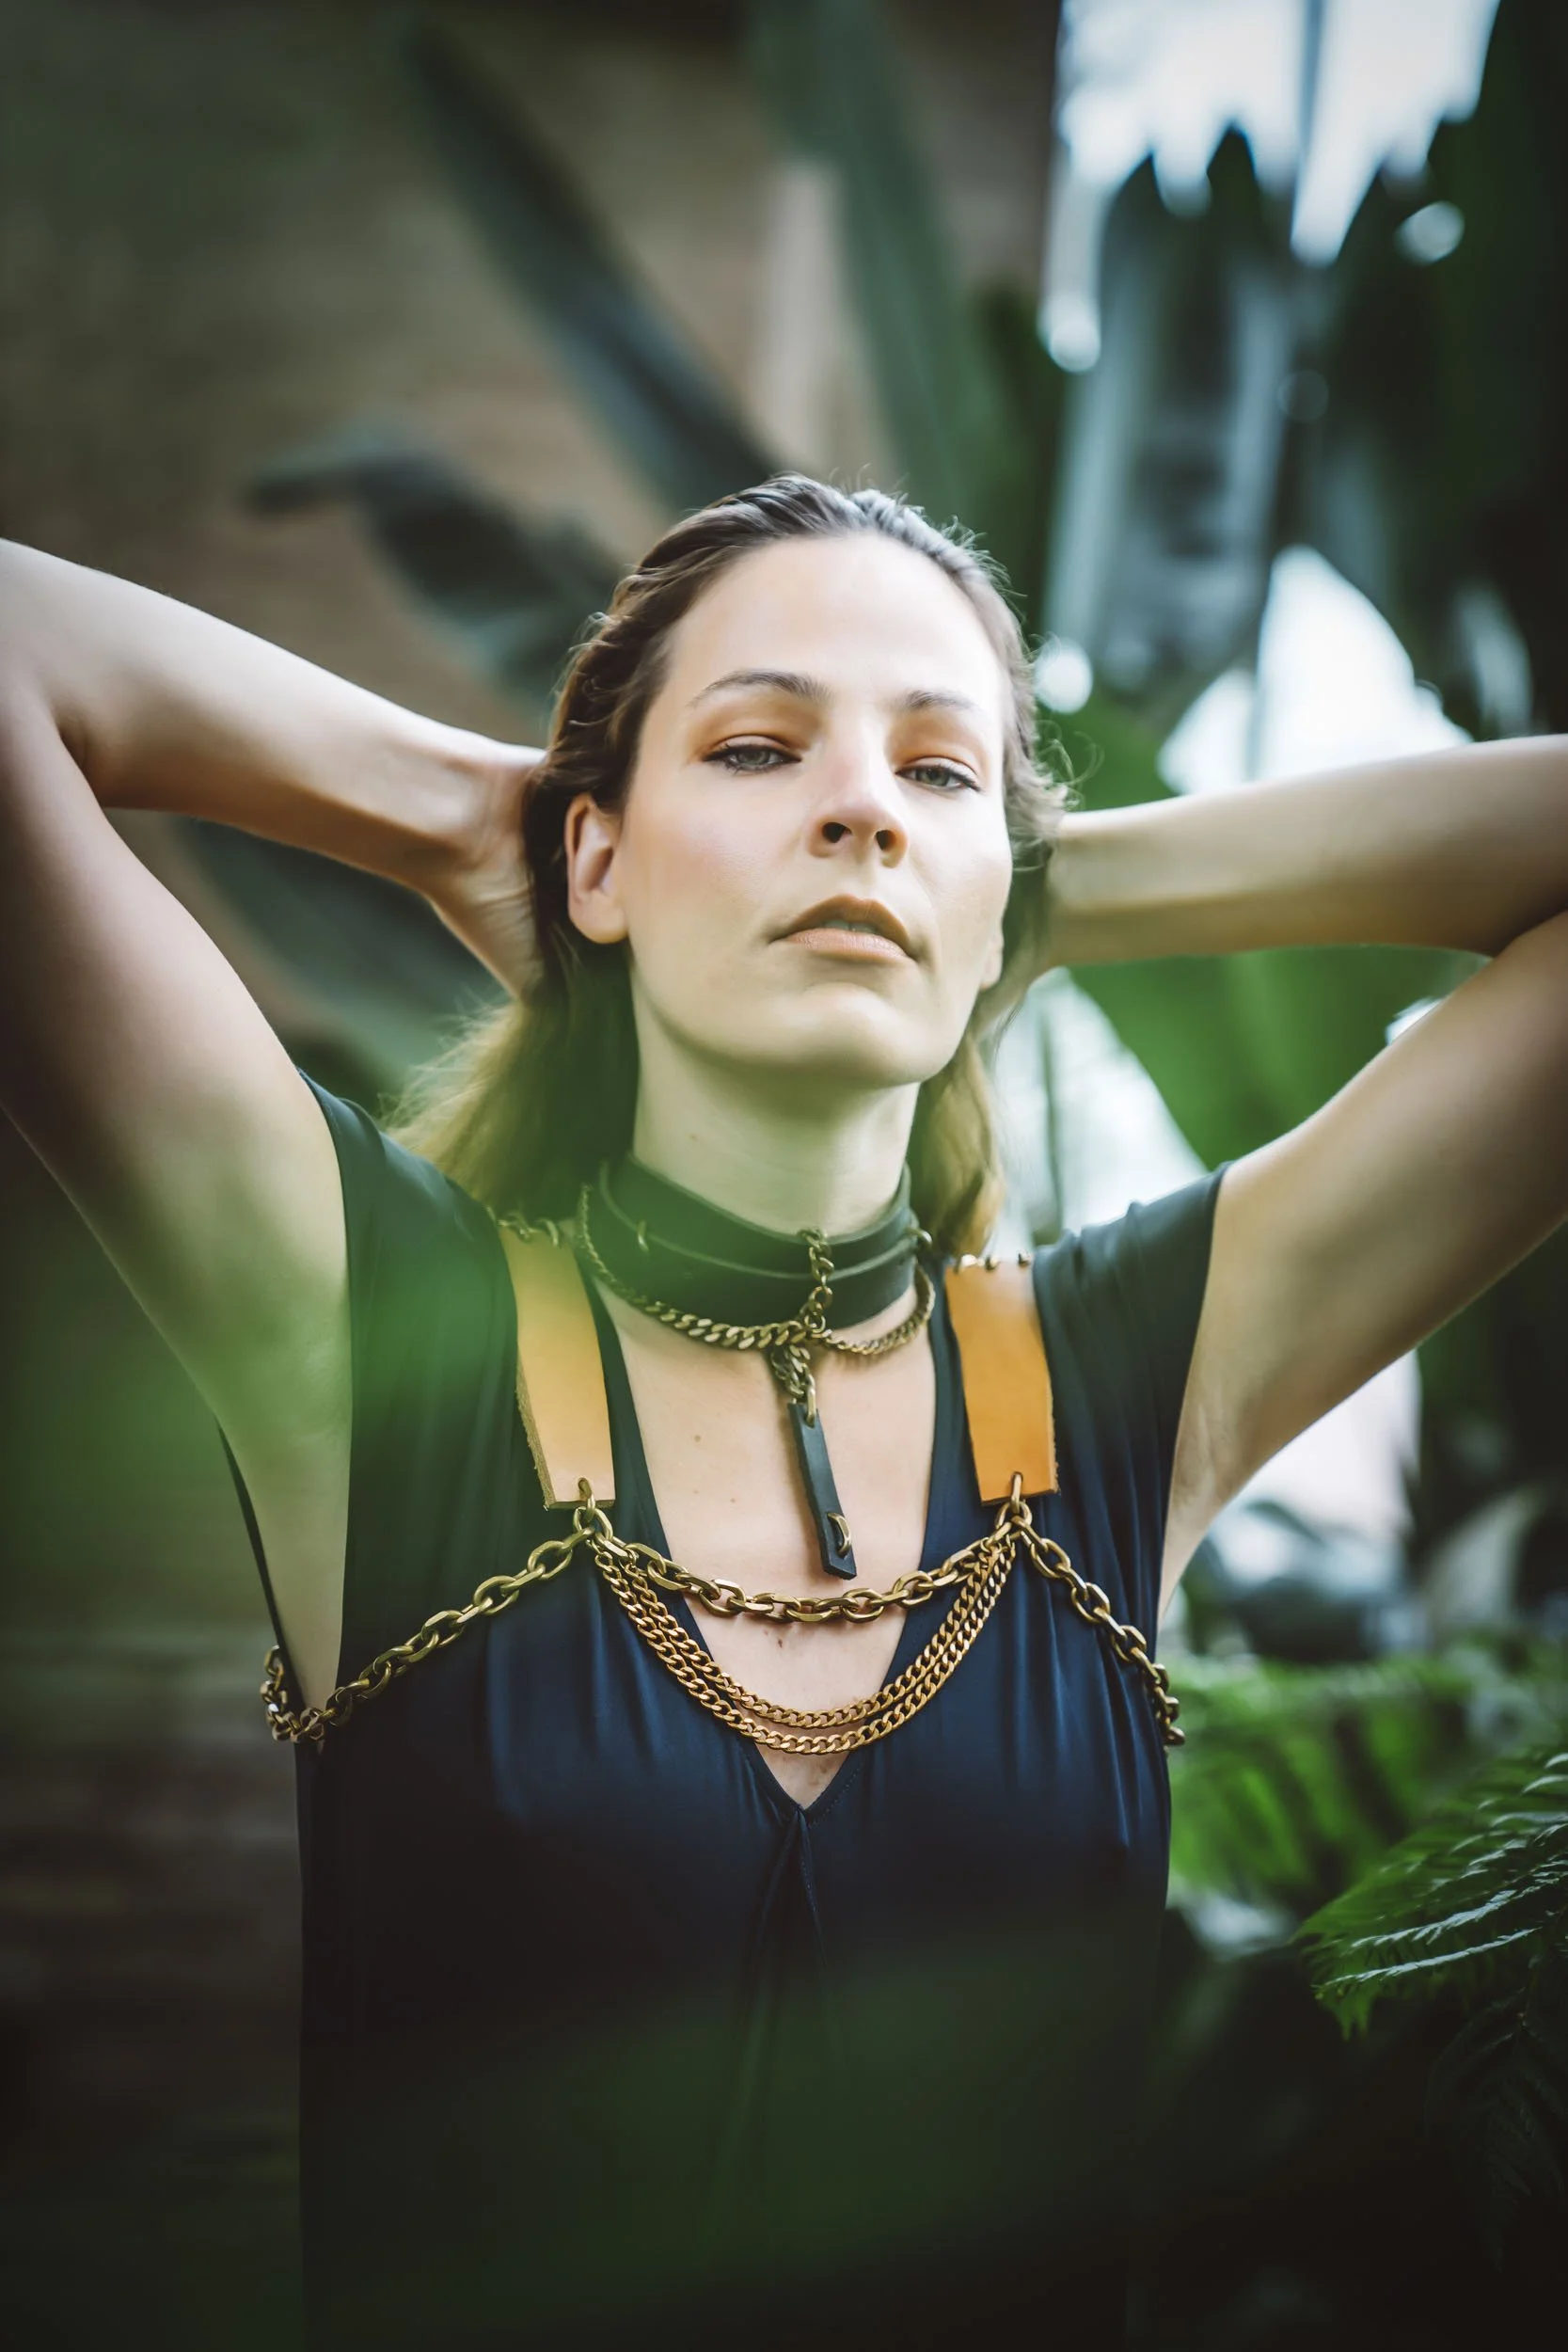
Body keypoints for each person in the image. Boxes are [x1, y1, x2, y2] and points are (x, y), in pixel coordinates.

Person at [1, 475, 1565, 2349]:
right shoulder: (373, 1329)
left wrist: (1039, 893)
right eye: (754, 748)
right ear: (596, 861)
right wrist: (451, 812)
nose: (855, 806)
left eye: (936, 770)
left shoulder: (1122, 1379)